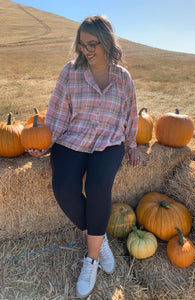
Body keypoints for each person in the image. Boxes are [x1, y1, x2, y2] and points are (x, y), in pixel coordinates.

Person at [27, 15, 141, 298]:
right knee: (64, 187)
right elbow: (56, 112)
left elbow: (129, 114)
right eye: (82, 44)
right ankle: (97, 237)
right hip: (73, 139)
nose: (87, 50)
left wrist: (132, 145)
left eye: (93, 44)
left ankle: (90, 259)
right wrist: (45, 141)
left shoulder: (122, 78)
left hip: (109, 142)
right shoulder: (71, 72)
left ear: (107, 43)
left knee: (98, 187)